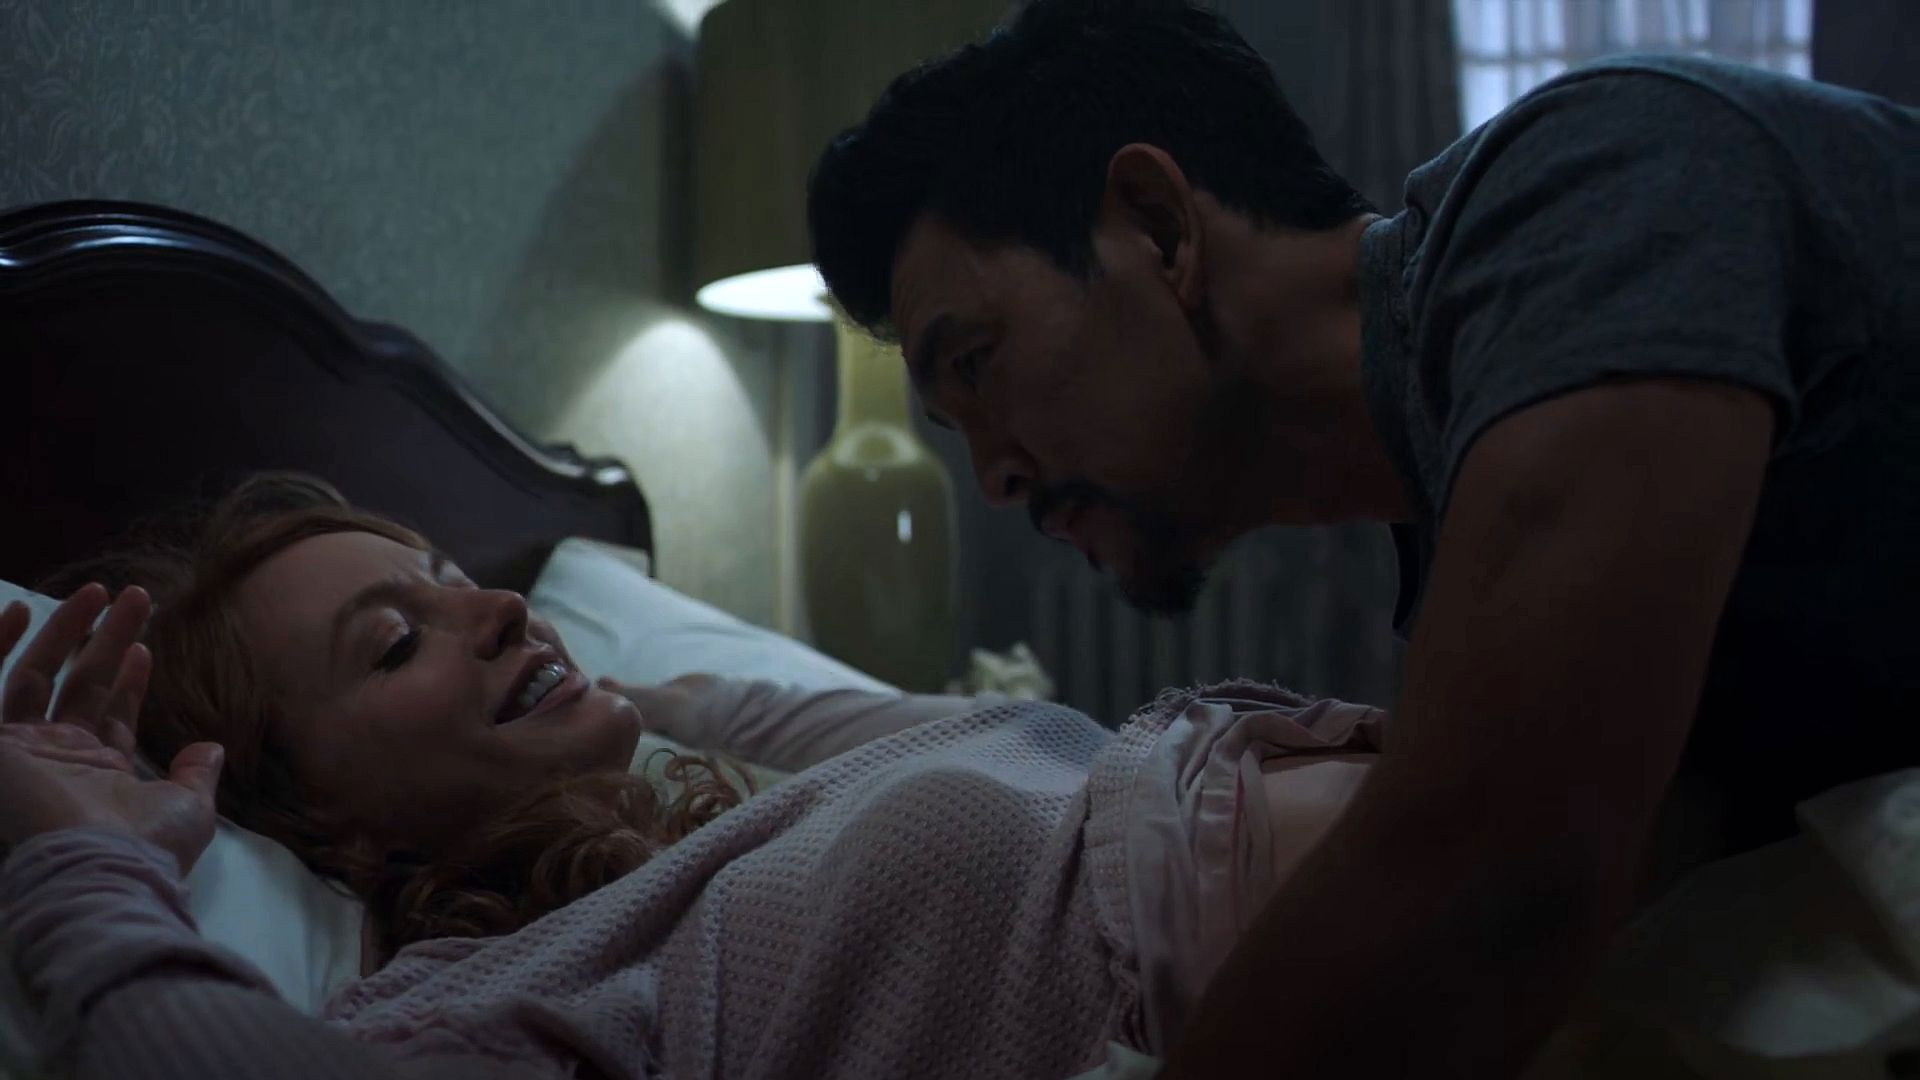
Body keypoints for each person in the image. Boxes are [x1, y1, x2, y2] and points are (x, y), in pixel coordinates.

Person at [804, 0, 1919, 1075]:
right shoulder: (1450, 530)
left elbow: (1493, 879)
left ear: (1157, 226)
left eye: (977, 363)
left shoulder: (1593, 183)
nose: (994, 478)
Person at [0, 473, 1383, 1079]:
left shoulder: (704, 843)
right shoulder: (488, 999)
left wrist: (623, 690)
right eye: (395, 640)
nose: (499, 607)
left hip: (1410, 833)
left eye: (456, 575)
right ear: (319, 815)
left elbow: (934, 721)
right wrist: (86, 856)